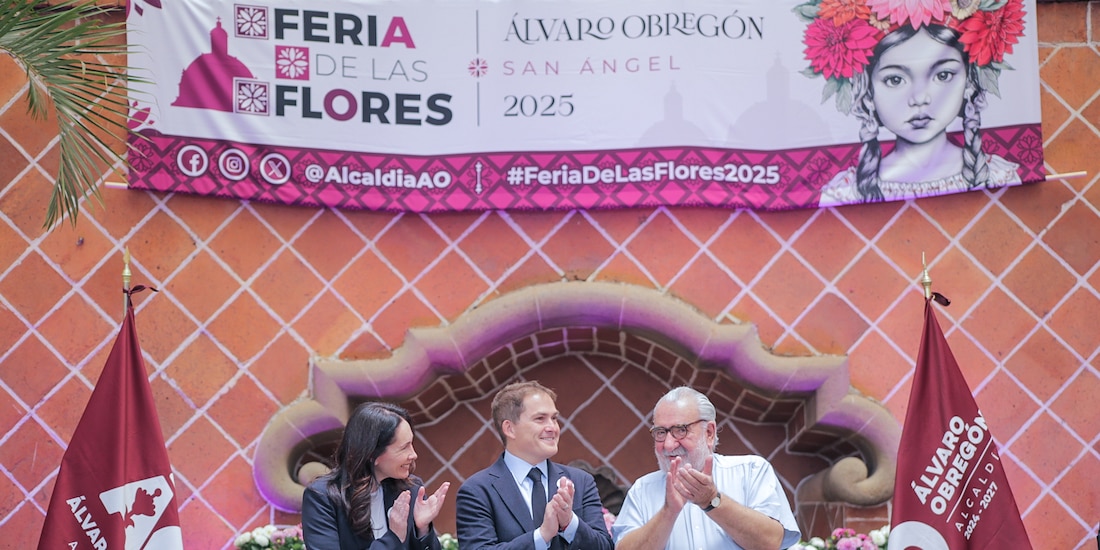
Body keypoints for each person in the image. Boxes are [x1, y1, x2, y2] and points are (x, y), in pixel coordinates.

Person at [613, 387, 800, 550]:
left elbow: (771, 543)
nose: (668, 444)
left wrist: (711, 500)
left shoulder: (751, 471)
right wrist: (668, 513)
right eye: (661, 432)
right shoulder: (642, 489)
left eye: (680, 430)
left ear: (709, 433)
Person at [456, 380, 614, 550]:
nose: (552, 427)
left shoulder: (581, 481)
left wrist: (570, 523)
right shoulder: (477, 490)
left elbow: (605, 547)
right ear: (509, 428)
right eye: (540, 419)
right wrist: (542, 535)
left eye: (554, 418)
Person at [302, 402, 450, 550]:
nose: (413, 454)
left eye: (412, 444)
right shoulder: (323, 497)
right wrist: (394, 537)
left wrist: (422, 528)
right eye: (404, 447)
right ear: (372, 453)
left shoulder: (411, 489)